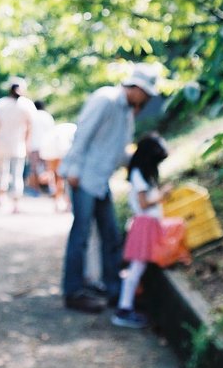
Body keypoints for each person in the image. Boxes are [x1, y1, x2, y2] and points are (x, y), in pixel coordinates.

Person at [58, 65, 158, 313]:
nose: (145, 100)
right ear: (136, 87)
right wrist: (73, 168)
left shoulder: (126, 112)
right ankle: (73, 291)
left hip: (101, 180)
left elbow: (118, 149)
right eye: (145, 93)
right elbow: (84, 133)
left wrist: (144, 161)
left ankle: (112, 287)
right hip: (83, 176)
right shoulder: (106, 99)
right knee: (80, 235)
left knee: (110, 233)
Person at [112, 133, 172, 329]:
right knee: (136, 268)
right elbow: (144, 203)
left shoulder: (142, 174)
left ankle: (127, 305)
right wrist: (161, 195)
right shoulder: (139, 175)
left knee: (138, 268)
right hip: (144, 224)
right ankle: (124, 308)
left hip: (148, 224)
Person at [0, 77, 36, 212]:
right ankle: (16, 204)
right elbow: (30, 126)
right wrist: (27, 143)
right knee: (17, 173)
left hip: (2, 143)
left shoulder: (1, 103)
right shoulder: (27, 105)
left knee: (2, 172)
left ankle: (0, 199)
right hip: (18, 144)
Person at [27, 99, 56, 194]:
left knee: (34, 169)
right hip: (47, 147)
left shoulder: (32, 115)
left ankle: (35, 190)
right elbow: (52, 132)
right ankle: (51, 189)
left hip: (34, 146)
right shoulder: (48, 116)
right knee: (49, 169)